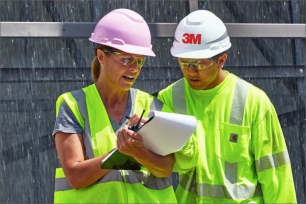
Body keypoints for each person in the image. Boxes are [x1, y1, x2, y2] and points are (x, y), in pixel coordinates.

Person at [52, 8, 197, 203]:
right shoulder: (73, 105)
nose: (134, 69)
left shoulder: (153, 105)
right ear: (102, 57)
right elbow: (75, 176)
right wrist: (120, 152)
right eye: (127, 59)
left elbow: (165, 169)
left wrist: (140, 152)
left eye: (139, 61)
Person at [157, 10, 297, 203]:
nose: (191, 71)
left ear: (221, 60)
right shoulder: (169, 98)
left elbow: (276, 177)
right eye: (184, 62)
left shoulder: (253, 101)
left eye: (200, 63)